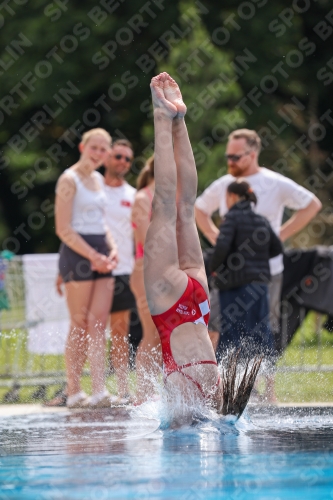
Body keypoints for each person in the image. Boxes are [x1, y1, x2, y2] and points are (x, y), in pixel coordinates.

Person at [144, 72, 260, 423]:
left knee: (182, 207)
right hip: (175, 308)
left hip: (199, 306)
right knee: (168, 206)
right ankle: (164, 117)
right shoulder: (195, 404)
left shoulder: (221, 396)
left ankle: (179, 119)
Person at [195, 128, 322, 356]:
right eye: (228, 156)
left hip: (266, 272)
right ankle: (218, 385)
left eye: (235, 157)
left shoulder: (274, 182)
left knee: (262, 330)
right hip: (229, 274)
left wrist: (281, 234)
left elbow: (312, 205)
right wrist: (215, 236)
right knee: (216, 327)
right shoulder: (225, 184)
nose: (230, 161)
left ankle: (262, 391)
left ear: (252, 154)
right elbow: (199, 209)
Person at [55, 128, 118, 409]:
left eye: (104, 150)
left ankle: (99, 390)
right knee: (79, 322)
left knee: (98, 324)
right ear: (82, 146)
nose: (99, 153)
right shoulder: (68, 179)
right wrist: (93, 255)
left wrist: (112, 248)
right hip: (77, 254)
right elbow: (63, 229)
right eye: (95, 147)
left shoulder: (99, 179)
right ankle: (73, 391)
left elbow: (102, 222)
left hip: (102, 254)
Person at [210, 179, 282, 400]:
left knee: (232, 335)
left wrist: (214, 268)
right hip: (259, 286)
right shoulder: (261, 220)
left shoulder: (231, 218)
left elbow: (221, 247)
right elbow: (277, 248)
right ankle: (267, 392)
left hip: (234, 287)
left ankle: (228, 392)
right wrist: (254, 261)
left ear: (232, 196)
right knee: (261, 334)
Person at [104, 139, 136, 403]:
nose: (123, 162)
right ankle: (87, 390)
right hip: (90, 270)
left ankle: (123, 389)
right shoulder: (91, 190)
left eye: (127, 159)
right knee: (86, 330)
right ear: (106, 157)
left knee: (119, 333)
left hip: (123, 270)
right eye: (118, 156)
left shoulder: (133, 196)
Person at [130, 156, 162, 403]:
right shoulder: (143, 198)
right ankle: (143, 394)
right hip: (145, 270)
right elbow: (144, 239)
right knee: (150, 332)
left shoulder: (162, 198)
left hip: (160, 270)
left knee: (161, 334)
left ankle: (153, 391)